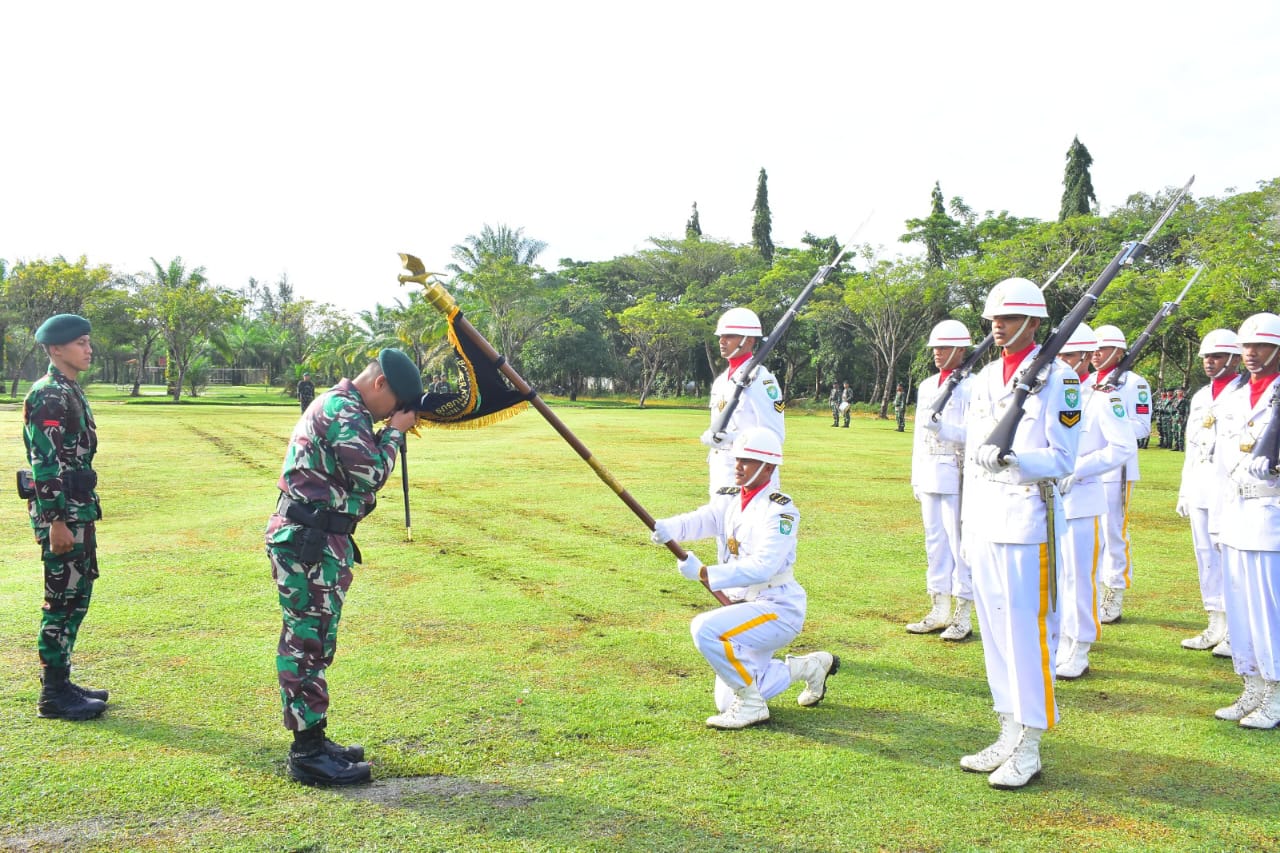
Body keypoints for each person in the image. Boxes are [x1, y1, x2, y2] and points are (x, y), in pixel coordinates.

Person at [267, 348, 422, 785]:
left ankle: (315, 736)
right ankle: (307, 753)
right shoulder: (342, 410)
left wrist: (389, 428)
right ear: (380, 386)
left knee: (315, 642)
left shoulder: (347, 407)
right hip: (307, 542)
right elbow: (370, 474)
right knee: (304, 644)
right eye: (394, 405)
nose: (393, 414)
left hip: (320, 540)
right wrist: (394, 433)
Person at [958, 277, 1080, 789]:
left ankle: (1030, 742)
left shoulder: (1061, 379)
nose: (997, 327)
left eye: (1006, 319)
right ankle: (1007, 730)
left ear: (1034, 322)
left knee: (1026, 637)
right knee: (995, 636)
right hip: (984, 520)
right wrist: (966, 526)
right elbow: (970, 453)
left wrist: (1015, 459)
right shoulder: (987, 375)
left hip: (1028, 522)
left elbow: (1063, 457)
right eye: (993, 319)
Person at [651, 428, 837, 729]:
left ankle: (752, 706)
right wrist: (668, 527)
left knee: (705, 628)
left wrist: (705, 574)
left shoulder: (780, 510)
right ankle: (810, 667)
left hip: (776, 608)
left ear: (769, 467)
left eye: (748, 461)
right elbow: (704, 519)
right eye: (738, 459)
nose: (738, 466)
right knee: (727, 700)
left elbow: (763, 567)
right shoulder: (730, 498)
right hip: (744, 610)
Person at [22, 314, 109, 721]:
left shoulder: (69, 389)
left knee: (77, 595)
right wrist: (56, 520)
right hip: (63, 514)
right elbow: (45, 460)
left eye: (88, 342)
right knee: (60, 599)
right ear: (57, 349)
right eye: (81, 343)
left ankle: (62, 679)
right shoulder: (49, 394)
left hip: (78, 509)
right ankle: (53, 695)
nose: (88, 349)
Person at [1053, 324, 1136, 679]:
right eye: (1060, 356)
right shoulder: (1051, 393)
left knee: (1076, 577)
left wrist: (1080, 468)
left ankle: (1080, 645)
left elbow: (1122, 447)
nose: (1063, 363)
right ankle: (1060, 639)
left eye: (1070, 356)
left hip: (1082, 499)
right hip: (1047, 499)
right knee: (1054, 576)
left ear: (1088, 357)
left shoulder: (1105, 398)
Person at [1212, 312, 1280, 728]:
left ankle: (1275, 690)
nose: (1251, 354)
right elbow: (1220, 461)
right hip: (1237, 512)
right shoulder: (1235, 397)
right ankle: (1251, 684)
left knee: (1269, 610)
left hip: (1273, 515)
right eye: (1246, 347)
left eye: (1261, 346)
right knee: (1240, 610)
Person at [1177, 330, 1245, 653]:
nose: (1209, 362)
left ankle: (1235, 627)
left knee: (1229, 557)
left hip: (1229, 489)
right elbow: (1191, 447)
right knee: (1204, 556)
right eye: (1206, 356)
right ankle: (1214, 622)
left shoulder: (1243, 394)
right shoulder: (1201, 396)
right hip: (1201, 485)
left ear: (1234, 359)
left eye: (1216, 356)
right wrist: (1183, 491)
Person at [909, 319, 975, 641]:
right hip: (931, 472)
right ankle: (938, 608)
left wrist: (943, 430)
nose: (937, 353)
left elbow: (977, 436)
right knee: (934, 543)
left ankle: (963, 613)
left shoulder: (973, 386)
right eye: (935, 347)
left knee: (960, 545)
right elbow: (919, 438)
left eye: (944, 347)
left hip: (959, 472)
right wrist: (915, 475)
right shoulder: (927, 386)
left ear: (961, 350)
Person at [1088, 324, 1153, 624]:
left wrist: (1113, 421)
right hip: (1087, 467)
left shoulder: (1134, 384)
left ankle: (1113, 590)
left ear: (1119, 351)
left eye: (1102, 349)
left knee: (1114, 531)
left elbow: (1141, 427)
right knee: (1090, 534)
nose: (1096, 354)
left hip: (1117, 468)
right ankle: (1091, 592)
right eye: (1094, 349)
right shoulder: (1086, 382)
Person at [701, 307, 785, 497]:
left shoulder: (761, 381)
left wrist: (732, 438)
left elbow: (775, 436)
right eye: (721, 336)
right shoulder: (721, 381)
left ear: (749, 340)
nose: (722, 341)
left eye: (730, 336)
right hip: (722, 472)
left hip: (749, 475)